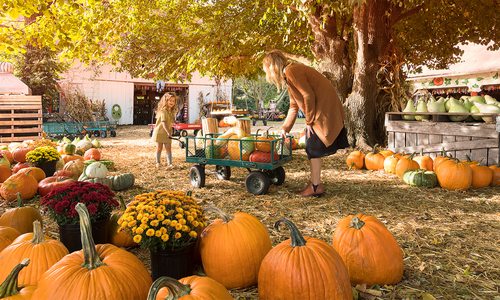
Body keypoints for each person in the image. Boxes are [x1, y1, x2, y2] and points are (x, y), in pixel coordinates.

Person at [262, 50, 349, 197]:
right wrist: (285, 128)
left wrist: (309, 121)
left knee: (312, 144)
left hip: (324, 108)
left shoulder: (292, 71)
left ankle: (315, 186)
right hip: (321, 107)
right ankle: (315, 184)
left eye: (267, 70)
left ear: (272, 67)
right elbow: (293, 106)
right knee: (312, 145)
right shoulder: (289, 75)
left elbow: (308, 95)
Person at [151, 92, 178, 168]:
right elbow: (163, 122)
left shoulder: (171, 111)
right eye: (170, 100)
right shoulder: (163, 111)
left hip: (167, 132)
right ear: (166, 101)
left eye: (173, 101)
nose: (172, 102)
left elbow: (171, 120)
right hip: (160, 132)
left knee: (168, 148)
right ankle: (158, 162)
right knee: (159, 148)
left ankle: (170, 164)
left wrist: (176, 123)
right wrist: (168, 132)